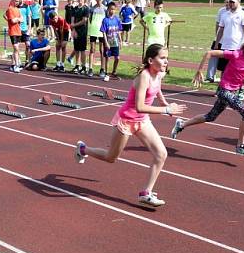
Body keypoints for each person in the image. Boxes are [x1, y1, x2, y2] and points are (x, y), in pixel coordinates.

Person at [73, 44, 186, 208]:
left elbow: (157, 89)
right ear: (150, 60)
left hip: (142, 121)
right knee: (111, 158)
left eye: (167, 58)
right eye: (162, 58)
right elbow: (140, 106)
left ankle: (146, 193)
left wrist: (165, 103)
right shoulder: (143, 77)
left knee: (161, 154)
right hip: (126, 120)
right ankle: (83, 150)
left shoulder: (159, 73)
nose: (166, 61)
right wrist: (166, 109)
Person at [171, 33, 244, 156]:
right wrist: (199, 70)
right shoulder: (235, 54)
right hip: (224, 90)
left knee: (211, 116)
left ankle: (181, 124)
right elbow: (209, 53)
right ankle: (240, 146)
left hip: (233, 91)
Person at [207, 0, 244, 83]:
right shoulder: (225, 14)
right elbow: (221, 30)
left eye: (233, 2)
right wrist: (216, 43)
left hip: (237, 47)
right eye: (229, 2)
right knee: (224, 69)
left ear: (238, 2)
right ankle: (222, 88)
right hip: (225, 46)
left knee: (237, 69)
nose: (230, 4)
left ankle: (240, 87)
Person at [99, 2, 122, 80]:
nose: (112, 11)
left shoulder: (117, 19)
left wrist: (120, 41)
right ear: (108, 9)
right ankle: (106, 73)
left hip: (115, 42)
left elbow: (119, 31)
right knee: (107, 58)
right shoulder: (105, 20)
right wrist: (106, 43)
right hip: (108, 42)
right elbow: (104, 32)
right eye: (111, 9)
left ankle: (114, 72)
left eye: (114, 9)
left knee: (117, 58)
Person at [69, 0, 91, 74]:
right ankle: (77, 65)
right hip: (76, 31)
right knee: (76, 49)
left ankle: (84, 66)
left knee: (82, 50)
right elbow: (72, 20)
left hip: (83, 31)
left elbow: (84, 20)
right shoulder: (74, 9)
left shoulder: (86, 9)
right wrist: (73, 30)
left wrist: (74, 25)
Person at [5, 0, 24, 73]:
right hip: (13, 31)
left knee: (15, 49)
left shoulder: (17, 9)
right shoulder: (10, 9)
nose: (17, 2)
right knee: (16, 49)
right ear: (12, 0)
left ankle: (13, 65)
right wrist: (15, 19)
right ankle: (16, 65)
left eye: (18, 1)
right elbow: (13, 21)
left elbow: (22, 19)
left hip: (18, 31)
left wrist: (17, 19)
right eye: (16, 1)